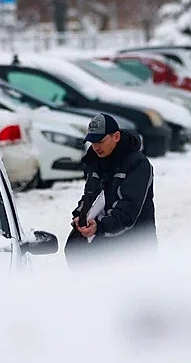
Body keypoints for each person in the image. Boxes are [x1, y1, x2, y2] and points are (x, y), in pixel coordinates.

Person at [64, 113, 157, 267]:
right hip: (102, 248)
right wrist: (80, 216)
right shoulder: (94, 161)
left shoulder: (138, 164)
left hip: (135, 249)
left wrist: (99, 227)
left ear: (116, 136)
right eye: (92, 142)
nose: (96, 147)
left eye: (100, 141)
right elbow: (90, 196)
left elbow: (128, 210)